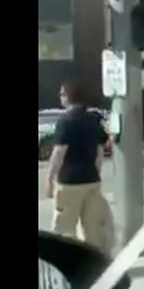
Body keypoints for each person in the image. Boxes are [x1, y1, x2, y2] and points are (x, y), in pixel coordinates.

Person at [45, 80, 114, 254]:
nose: (60, 97)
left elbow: (59, 152)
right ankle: (94, 261)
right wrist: (95, 172)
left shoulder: (66, 121)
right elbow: (99, 152)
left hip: (69, 182)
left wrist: (49, 179)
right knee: (92, 227)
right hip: (91, 180)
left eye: (62, 94)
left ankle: (65, 261)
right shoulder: (93, 120)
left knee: (65, 227)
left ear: (68, 97)